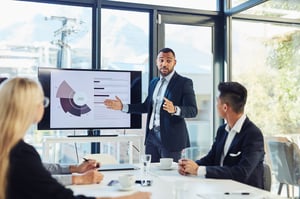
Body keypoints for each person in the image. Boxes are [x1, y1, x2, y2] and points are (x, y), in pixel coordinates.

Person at [0, 77, 150, 199]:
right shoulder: (21, 154)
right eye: (43, 102)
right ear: (31, 108)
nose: (43, 106)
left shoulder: (10, 149)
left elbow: (38, 172)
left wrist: (74, 169)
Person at [104, 47, 198, 162]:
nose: (164, 64)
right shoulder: (154, 83)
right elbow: (145, 106)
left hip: (171, 139)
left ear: (175, 62)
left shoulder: (184, 82)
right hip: (152, 137)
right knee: (151, 172)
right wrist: (123, 107)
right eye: (161, 60)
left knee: (169, 176)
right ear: (156, 62)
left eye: (168, 60)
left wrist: (174, 109)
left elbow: (193, 110)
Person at [178, 81, 265, 189]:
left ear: (225, 107)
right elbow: (211, 159)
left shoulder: (253, 134)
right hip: (222, 189)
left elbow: (242, 172)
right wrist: (189, 166)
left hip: (245, 193)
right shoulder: (222, 130)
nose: (216, 105)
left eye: (217, 102)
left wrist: (197, 170)